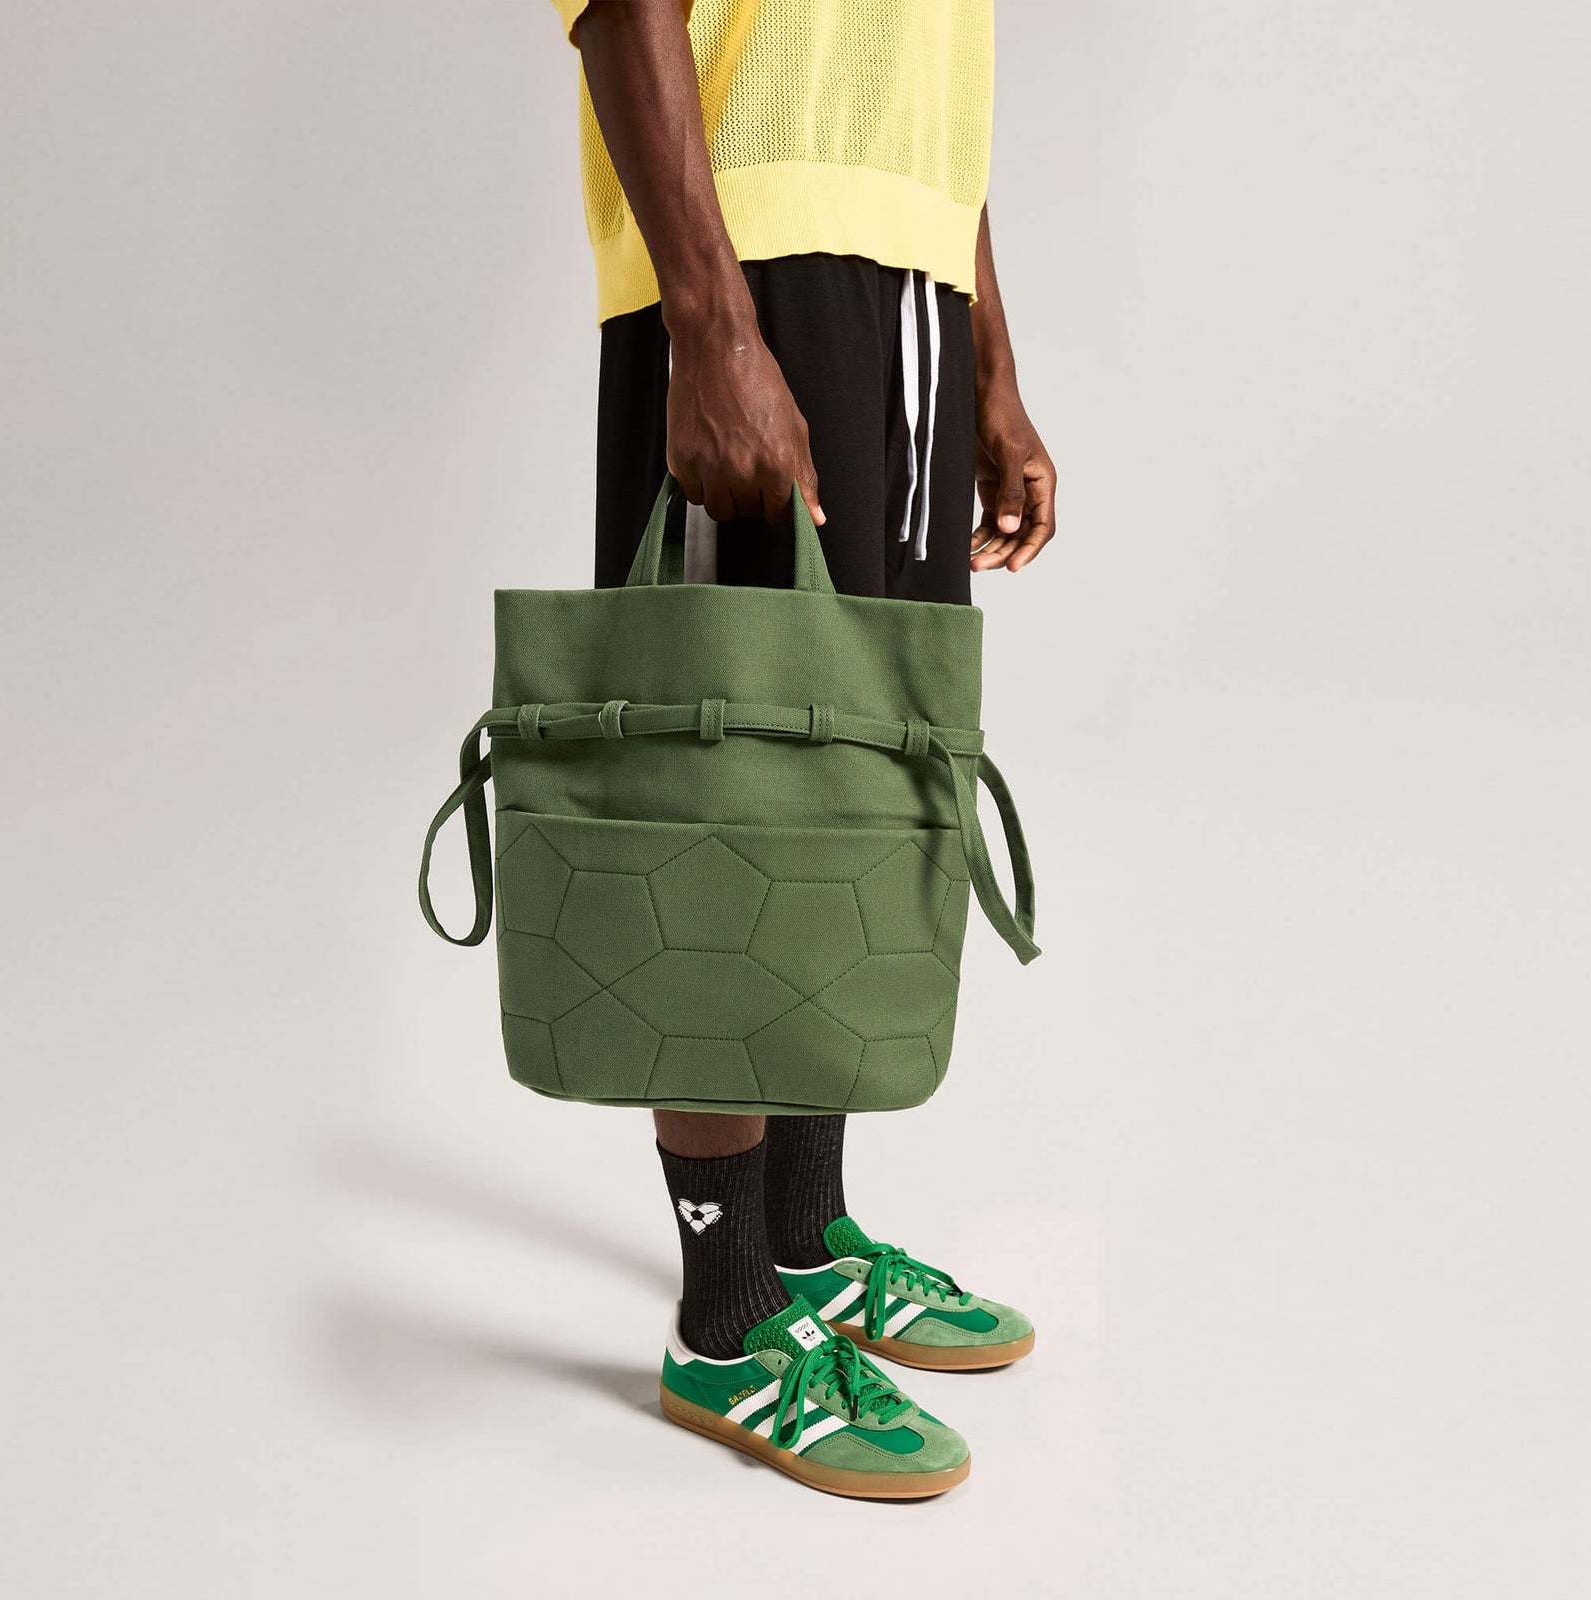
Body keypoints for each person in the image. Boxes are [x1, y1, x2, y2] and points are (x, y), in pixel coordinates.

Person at [551, 0, 1056, 1498]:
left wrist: (989, 360)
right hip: (749, 269)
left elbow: (918, 76)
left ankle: (806, 1237)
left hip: (912, 292)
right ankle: (723, 1322)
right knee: (734, 799)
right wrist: (712, 329)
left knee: (862, 781)